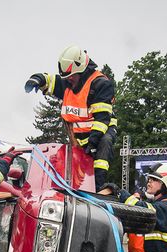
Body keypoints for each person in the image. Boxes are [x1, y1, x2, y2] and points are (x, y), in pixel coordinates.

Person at [24, 44, 117, 191]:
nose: (69, 80)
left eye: (71, 76)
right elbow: (49, 80)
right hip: (79, 135)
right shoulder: (69, 82)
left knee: (103, 147)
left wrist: (93, 142)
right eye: (66, 77)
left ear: (82, 70)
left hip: (102, 130)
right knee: (72, 162)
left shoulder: (100, 85)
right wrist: (36, 79)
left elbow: (102, 119)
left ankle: (97, 187)